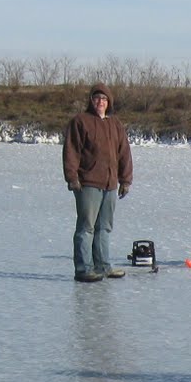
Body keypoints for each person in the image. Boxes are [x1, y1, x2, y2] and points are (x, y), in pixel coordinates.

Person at [62, 83, 133, 282]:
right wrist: (72, 178)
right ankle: (84, 268)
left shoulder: (115, 124)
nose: (100, 102)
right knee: (86, 227)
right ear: (91, 101)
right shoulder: (81, 122)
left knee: (104, 227)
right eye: (96, 98)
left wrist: (125, 179)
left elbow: (124, 154)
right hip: (88, 183)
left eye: (103, 99)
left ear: (108, 102)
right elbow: (71, 151)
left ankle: (103, 266)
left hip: (110, 184)